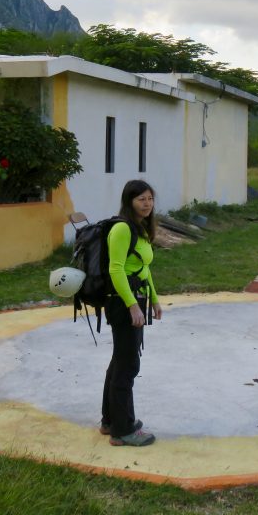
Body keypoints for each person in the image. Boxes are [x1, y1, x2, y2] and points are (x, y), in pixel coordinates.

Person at [100, 179, 163, 446]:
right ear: (130, 202)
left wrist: (155, 300)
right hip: (122, 302)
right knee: (127, 366)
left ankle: (110, 420)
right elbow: (116, 269)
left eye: (149, 198)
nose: (147, 204)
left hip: (135, 298)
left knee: (120, 361)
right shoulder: (123, 229)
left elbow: (142, 269)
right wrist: (132, 305)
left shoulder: (141, 229)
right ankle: (123, 431)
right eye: (141, 199)